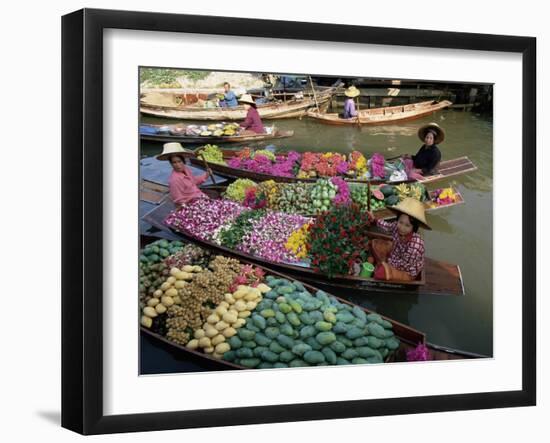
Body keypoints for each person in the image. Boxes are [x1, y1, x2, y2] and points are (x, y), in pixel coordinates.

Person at [368, 197, 431, 282]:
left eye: (407, 225)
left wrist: (388, 262)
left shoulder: (416, 244)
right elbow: (387, 226)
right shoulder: (396, 226)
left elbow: (405, 265)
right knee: (374, 243)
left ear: (414, 227)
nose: (402, 228)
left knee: (380, 273)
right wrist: (374, 220)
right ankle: (383, 263)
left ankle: (384, 265)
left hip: (407, 271)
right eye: (400, 222)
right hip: (395, 254)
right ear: (397, 220)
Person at [156, 142, 212, 207]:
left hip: (199, 196)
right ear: (171, 164)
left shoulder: (186, 169)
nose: (178, 165)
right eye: (174, 162)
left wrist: (206, 174)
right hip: (191, 203)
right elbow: (178, 200)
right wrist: (188, 209)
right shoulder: (174, 180)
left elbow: (194, 181)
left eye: (179, 161)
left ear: (183, 161)